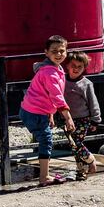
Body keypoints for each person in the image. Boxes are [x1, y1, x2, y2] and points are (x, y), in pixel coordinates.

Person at [20, 35, 75, 187]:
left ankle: (44, 173)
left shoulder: (57, 69)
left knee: (45, 139)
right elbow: (56, 96)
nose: (59, 54)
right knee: (46, 140)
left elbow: (47, 95)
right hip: (34, 112)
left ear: (66, 51)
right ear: (46, 53)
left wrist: (50, 114)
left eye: (62, 51)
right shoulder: (49, 73)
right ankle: (44, 176)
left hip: (37, 110)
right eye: (54, 51)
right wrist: (68, 118)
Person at [61, 51, 101, 181]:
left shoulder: (86, 84)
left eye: (80, 67)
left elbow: (93, 102)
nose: (76, 69)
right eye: (73, 65)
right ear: (67, 65)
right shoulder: (61, 80)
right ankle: (81, 170)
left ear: (84, 68)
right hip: (67, 119)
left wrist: (95, 120)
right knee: (74, 146)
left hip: (83, 119)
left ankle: (91, 160)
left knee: (77, 142)